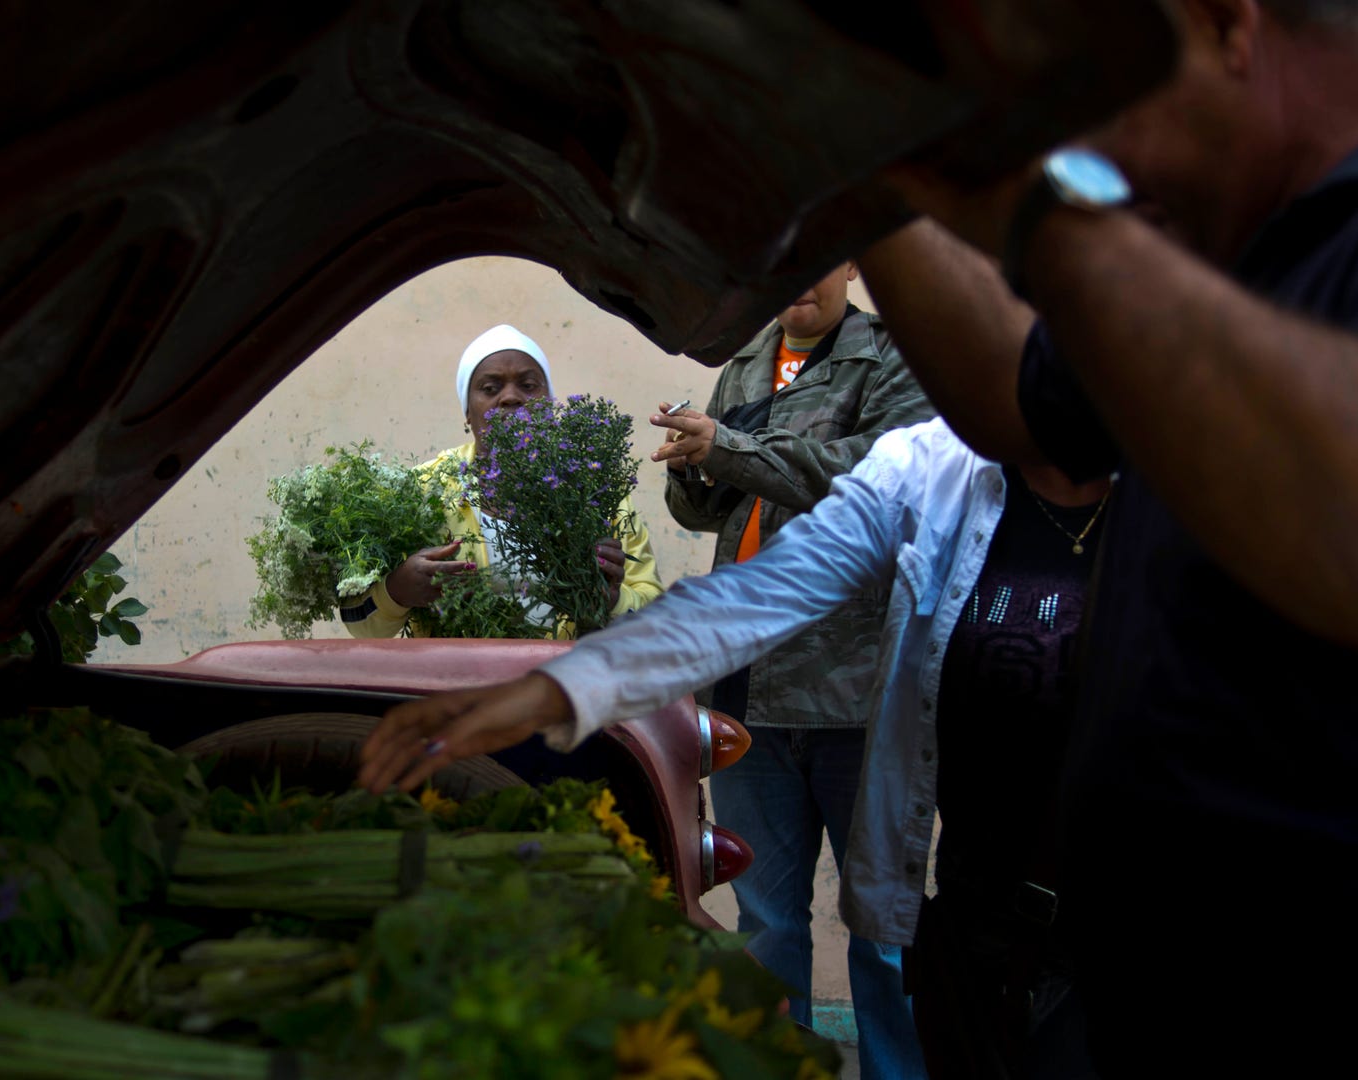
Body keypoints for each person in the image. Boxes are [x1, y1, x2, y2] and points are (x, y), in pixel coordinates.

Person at [837, 0, 1358, 1073]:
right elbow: (1011, 389)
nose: (1096, 158)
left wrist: (1038, 216)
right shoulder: (1242, 252)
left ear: (1228, 22)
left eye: (1095, 97)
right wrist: (856, 166)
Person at [354, 417, 1110, 1078]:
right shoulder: (936, 468)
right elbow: (756, 595)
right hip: (991, 931)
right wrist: (551, 692)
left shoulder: (1198, 471)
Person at [651, 260, 932, 1074]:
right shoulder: (745, 362)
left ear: (851, 261)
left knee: (882, 931)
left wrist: (730, 447)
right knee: (767, 923)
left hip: (858, 692)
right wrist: (696, 460)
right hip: (747, 691)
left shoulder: (895, 357)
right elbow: (704, 504)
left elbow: (874, 476)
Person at [341, 324, 663, 638]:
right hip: (455, 684)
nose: (510, 398)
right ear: (468, 411)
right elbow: (359, 623)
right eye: (490, 388)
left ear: (549, 403)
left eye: (528, 385)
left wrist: (612, 600)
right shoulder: (423, 490)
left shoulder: (595, 495)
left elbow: (656, 620)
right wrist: (396, 591)